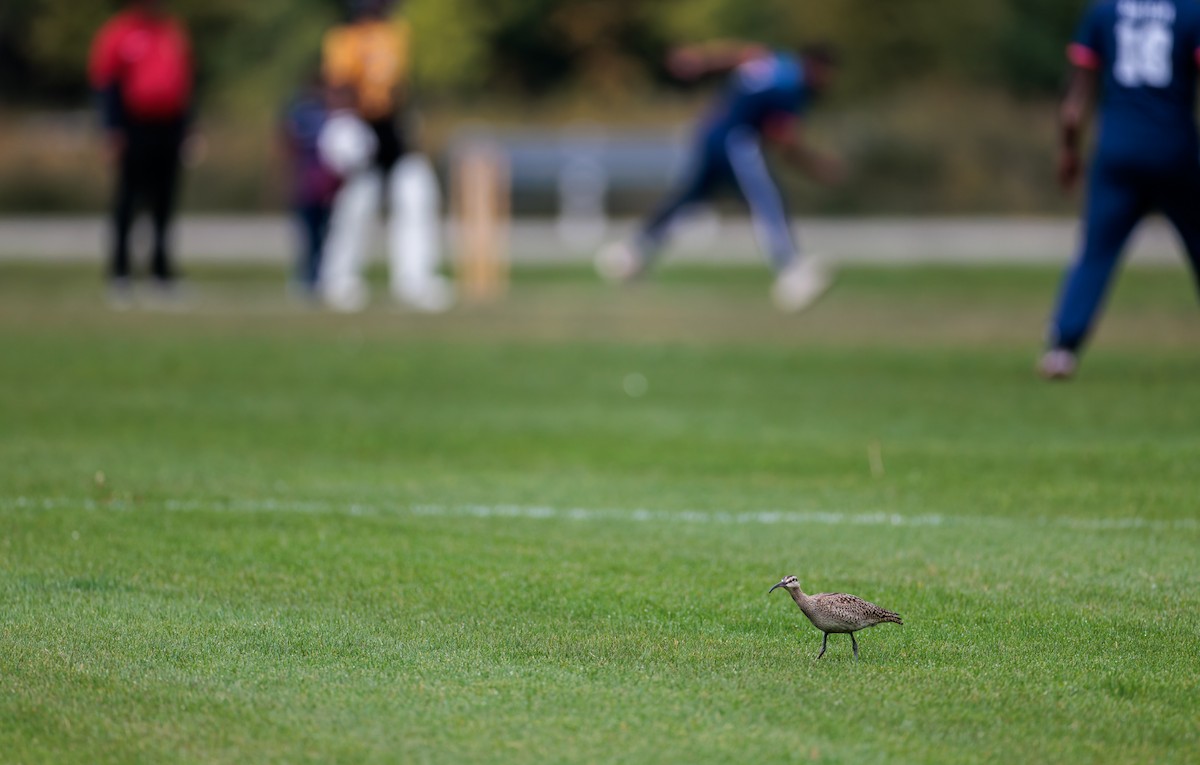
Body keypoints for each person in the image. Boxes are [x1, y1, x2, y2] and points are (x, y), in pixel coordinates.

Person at [596, 42, 844, 312]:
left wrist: (700, 61)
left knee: (692, 196)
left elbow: (741, 55)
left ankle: (631, 253)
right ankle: (791, 270)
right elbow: (784, 139)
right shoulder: (792, 87)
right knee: (767, 199)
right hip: (739, 140)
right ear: (818, 69)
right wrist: (817, 166)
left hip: (710, 133)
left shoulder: (773, 62)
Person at [1042, 0, 1200, 380]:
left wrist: (1068, 152)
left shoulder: (1104, 11)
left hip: (1116, 152)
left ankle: (1063, 349)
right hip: (1174, 149)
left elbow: (1073, 107)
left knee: (1096, 252)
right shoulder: (1191, 12)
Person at [319, 0, 451, 312]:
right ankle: (339, 278)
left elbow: (398, 86)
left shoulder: (396, 34)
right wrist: (346, 126)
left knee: (417, 197)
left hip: (393, 130)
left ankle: (414, 278)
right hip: (363, 128)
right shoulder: (344, 39)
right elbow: (339, 85)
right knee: (356, 205)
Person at [88, 0, 194, 307]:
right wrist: (111, 129)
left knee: (164, 203)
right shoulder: (119, 33)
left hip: (168, 126)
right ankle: (120, 273)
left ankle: (161, 273)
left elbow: (184, 83)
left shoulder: (172, 31)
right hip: (134, 126)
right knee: (128, 200)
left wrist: (188, 128)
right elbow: (106, 83)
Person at [280, 73, 340, 298]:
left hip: (325, 188)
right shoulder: (302, 113)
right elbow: (287, 143)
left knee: (323, 236)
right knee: (308, 235)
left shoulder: (331, 115)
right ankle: (306, 277)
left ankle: (320, 276)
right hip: (307, 186)